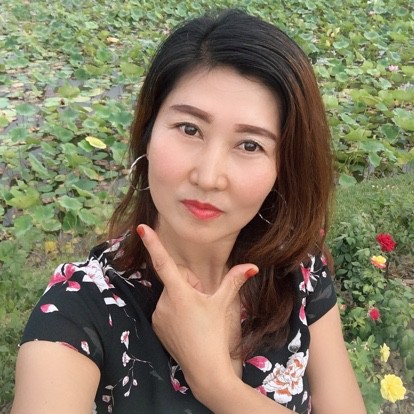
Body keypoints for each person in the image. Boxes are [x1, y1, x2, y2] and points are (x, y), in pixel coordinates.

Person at [12, 9, 366, 414]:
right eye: (189, 129)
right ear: (147, 133)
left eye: (250, 145)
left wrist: (216, 385)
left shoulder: (296, 271)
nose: (209, 177)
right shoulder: (79, 310)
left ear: (282, 169)